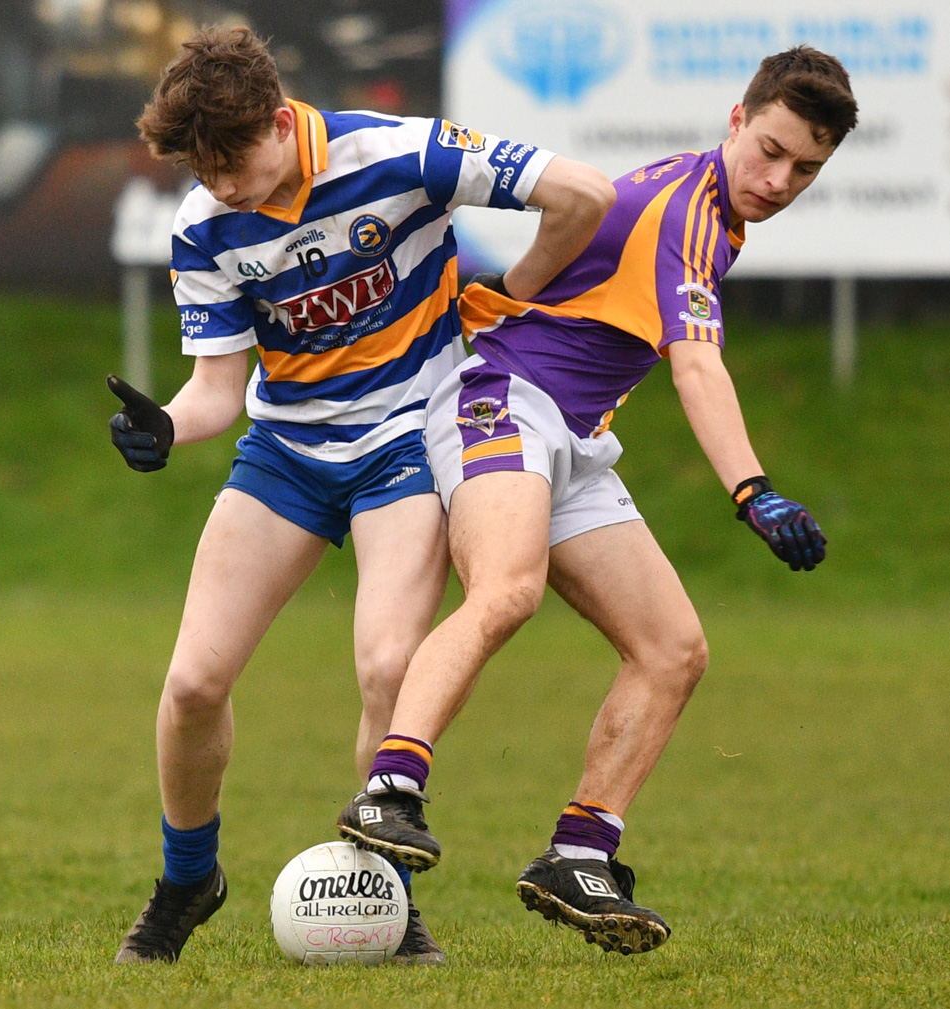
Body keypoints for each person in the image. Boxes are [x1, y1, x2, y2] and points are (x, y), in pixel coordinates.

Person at [107, 25, 614, 966]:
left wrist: (512, 292)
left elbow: (583, 193)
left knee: (389, 667)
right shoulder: (204, 224)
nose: (216, 183)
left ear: (273, 119)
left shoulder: (398, 151)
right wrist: (168, 427)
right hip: (288, 454)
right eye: (199, 166)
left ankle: (384, 895)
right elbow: (217, 390)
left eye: (228, 159)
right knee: (191, 683)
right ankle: (189, 876)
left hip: (408, 445)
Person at [337, 46, 858, 955]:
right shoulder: (688, 213)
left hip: (570, 436)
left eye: (804, 168)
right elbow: (696, 364)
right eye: (769, 149)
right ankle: (389, 789)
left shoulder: (711, 207)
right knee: (506, 588)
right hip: (498, 399)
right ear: (736, 120)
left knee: (671, 648)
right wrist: (752, 491)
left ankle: (579, 848)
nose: (779, 179)